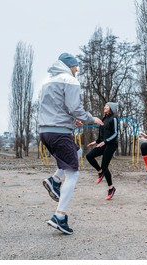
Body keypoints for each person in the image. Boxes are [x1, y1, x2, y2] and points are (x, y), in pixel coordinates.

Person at [38, 52, 104, 235]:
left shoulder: (47, 81)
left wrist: (72, 121)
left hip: (45, 131)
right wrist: (91, 119)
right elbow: (75, 108)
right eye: (75, 66)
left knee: (77, 152)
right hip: (59, 133)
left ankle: (55, 180)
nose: (77, 70)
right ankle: (59, 216)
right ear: (70, 66)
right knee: (73, 174)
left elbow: (56, 108)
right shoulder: (70, 80)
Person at [86, 102, 119, 200]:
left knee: (105, 166)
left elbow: (115, 134)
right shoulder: (103, 119)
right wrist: (95, 142)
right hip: (103, 143)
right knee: (89, 156)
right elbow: (102, 135)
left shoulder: (114, 119)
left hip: (111, 144)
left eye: (107, 106)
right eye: (105, 105)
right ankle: (100, 172)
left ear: (111, 108)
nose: (105, 107)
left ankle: (111, 188)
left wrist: (105, 142)